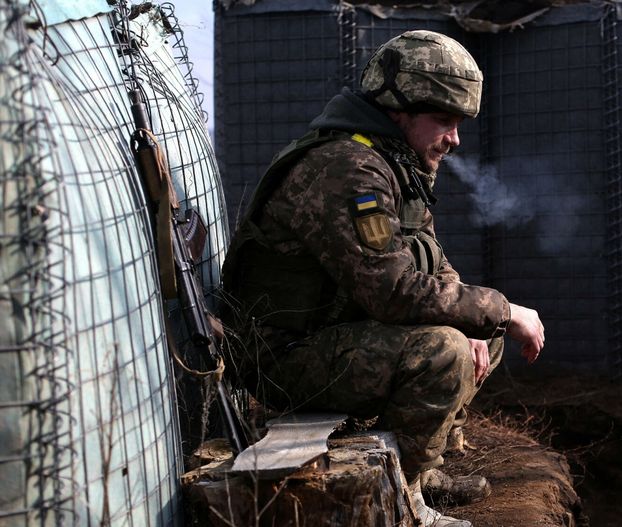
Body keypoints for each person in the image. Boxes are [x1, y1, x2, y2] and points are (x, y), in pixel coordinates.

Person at [221, 30, 545, 527]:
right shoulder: (349, 168)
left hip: (332, 336)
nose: (454, 139)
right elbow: (392, 291)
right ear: (398, 110)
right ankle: (402, 502)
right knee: (443, 351)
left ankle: (422, 468)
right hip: (283, 355)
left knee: (482, 332)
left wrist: (486, 321)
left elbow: (432, 262)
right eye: (443, 121)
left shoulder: (395, 163)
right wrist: (503, 310)